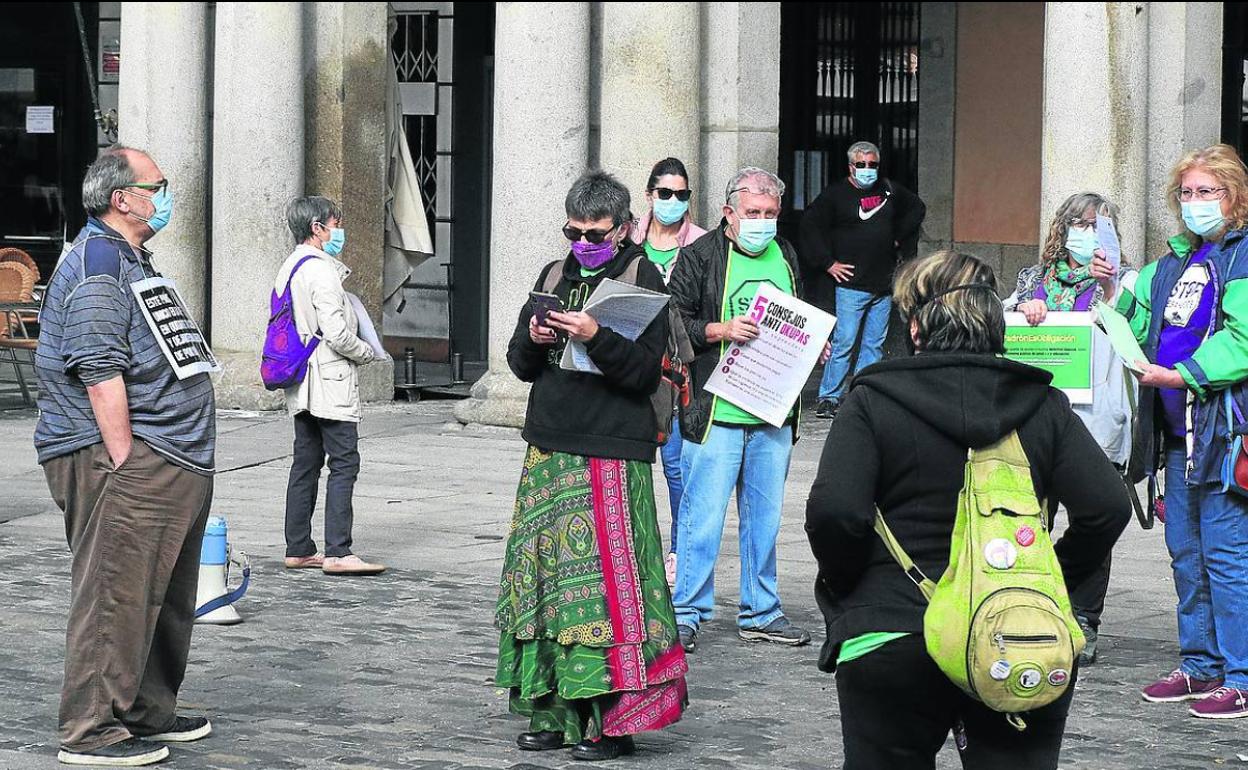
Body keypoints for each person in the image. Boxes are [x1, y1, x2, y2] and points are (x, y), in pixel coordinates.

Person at [806, 249, 1130, 769]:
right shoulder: (1043, 405)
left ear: (916, 329)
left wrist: (852, 586)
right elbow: (1107, 508)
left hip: (893, 627)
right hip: (1018, 633)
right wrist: (1051, 579)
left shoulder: (873, 400)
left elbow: (835, 512)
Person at [495, 170, 688, 761]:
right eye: (574, 232)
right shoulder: (553, 276)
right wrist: (533, 334)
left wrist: (598, 334)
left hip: (611, 450)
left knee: (607, 592)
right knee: (546, 583)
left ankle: (612, 722)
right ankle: (551, 708)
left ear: (624, 228)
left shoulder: (641, 277)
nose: (584, 244)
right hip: (550, 445)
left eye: (596, 235)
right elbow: (520, 365)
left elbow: (641, 373)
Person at [34, 146, 217, 767]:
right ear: (123, 198)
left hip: (173, 456)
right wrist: (125, 461)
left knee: (162, 593)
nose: (165, 193)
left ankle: (145, 708)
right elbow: (96, 367)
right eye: (157, 185)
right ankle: (90, 730)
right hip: (131, 460)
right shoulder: (97, 264)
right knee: (115, 593)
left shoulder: (132, 258)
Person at [1114, 144, 1248, 719]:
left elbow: (1242, 337)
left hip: (1222, 433)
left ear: (1236, 198)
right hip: (1175, 436)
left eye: (1208, 192)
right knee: (1185, 557)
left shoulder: (1242, 257)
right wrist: (1108, 308)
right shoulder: (1168, 263)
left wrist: (1184, 373)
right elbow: (1137, 317)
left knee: (1226, 557)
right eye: (1188, 193)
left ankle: (1241, 676)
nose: (1195, 203)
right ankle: (1200, 666)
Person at [667, 166, 813, 653]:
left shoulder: (785, 254)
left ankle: (762, 611)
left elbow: (798, 316)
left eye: (771, 214)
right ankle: (686, 611)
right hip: (716, 412)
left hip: (770, 412)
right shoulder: (699, 256)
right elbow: (672, 322)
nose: (763, 222)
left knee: (765, 522)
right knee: (700, 520)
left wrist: (817, 347)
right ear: (729, 212)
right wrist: (719, 331)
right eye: (753, 213)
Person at [1005, 192, 1135, 664]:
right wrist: (1024, 313)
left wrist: (1107, 291)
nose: (1087, 232)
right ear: (1063, 227)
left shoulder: (1128, 281)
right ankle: (1025, 607)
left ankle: (1082, 615)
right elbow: (1004, 326)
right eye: (1079, 223)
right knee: (1028, 519)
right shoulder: (1033, 280)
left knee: (1093, 520)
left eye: (1098, 225)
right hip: (1036, 419)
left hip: (1095, 423)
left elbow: (1129, 332)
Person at [278, 196, 385, 576]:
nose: (338, 231)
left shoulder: (289, 266)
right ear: (317, 228)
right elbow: (336, 332)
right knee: (344, 462)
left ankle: (298, 546)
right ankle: (339, 550)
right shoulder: (320, 270)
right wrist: (365, 352)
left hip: (302, 379)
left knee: (305, 462)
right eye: (334, 224)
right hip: (329, 378)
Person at [800, 140, 926, 420]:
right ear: (850, 166)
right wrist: (827, 263)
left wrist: (898, 237)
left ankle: (862, 394)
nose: (867, 169)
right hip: (850, 286)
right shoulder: (835, 195)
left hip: (883, 284)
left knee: (873, 345)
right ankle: (829, 397)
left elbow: (917, 207)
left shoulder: (889, 190)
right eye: (861, 165)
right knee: (844, 342)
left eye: (872, 164)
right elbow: (810, 225)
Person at [629, 157, 706, 585]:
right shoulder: (629, 240)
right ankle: (635, 549)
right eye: (665, 194)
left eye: (681, 195)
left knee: (677, 466)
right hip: (635, 366)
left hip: (677, 374)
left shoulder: (701, 244)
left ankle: (679, 550)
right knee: (631, 463)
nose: (673, 201)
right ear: (650, 195)